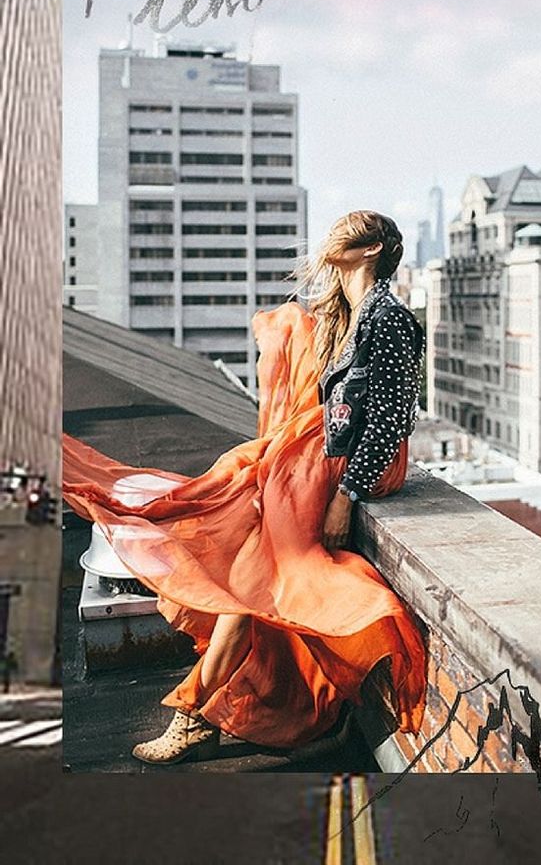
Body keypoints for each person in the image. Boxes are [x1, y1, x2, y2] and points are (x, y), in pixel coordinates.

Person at [62, 210, 427, 765]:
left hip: (346, 466)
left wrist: (345, 495)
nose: (330, 239)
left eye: (344, 233)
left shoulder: (390, 316)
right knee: (247, 564)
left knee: (253, 568)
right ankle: (194, 713)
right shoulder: (352, 313)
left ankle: (191, 716)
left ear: (371, 249)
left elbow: (394, 417)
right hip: (317, 459)